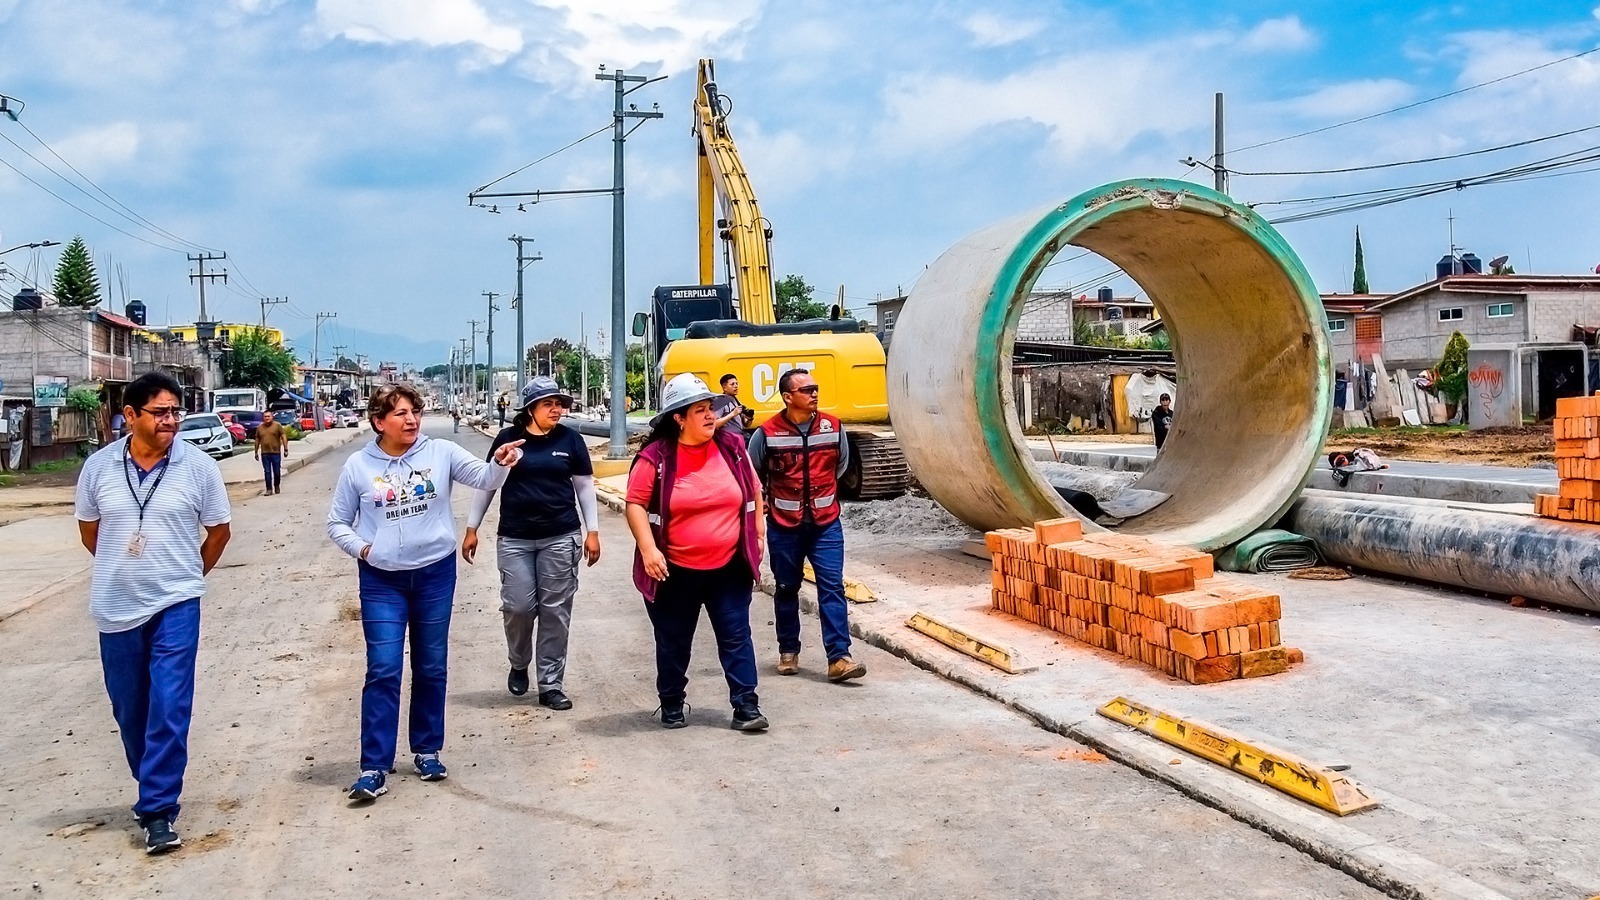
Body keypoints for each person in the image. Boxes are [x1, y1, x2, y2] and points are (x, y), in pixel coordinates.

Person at [327, 383, 524, 803]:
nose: (411, 419)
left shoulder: (441, 453)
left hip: (435, 573)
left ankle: (427, 749)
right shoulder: (358, 466)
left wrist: (503, 463)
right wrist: (364, 549)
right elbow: (337, 523)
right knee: (382, 668)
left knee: (431, 665)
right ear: (379, 421)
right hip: (381, 580)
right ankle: (373, 766)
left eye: (414, 411)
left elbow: (483, 476)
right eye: (399, 414)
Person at [73, 372, 232, 855]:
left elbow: (219, 532)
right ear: (131, 416)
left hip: (177, 602)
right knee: (131, 709)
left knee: (169, 704)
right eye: (160, 412)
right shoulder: (98, 468)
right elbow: (89, 532)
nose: (171, 420)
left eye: (175, 412)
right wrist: (127, 569)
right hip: (116, 605)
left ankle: (158, 808)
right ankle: (151, 783)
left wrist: (184, 573)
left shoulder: (198, 467)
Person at [625, 373, 768, 732]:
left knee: (736, 634)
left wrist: (759, 538)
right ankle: (671, 702)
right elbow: (635, 504)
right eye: (700, 410)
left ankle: (746, 706)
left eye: (710, 409)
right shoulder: (655, 457)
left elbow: (754, 492)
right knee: (673, 640)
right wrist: (648, 549)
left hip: (729, 566)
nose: (710, 416)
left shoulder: (733, 447)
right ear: (678, 418)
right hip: (674, 571)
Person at [464, 376, 600, 709]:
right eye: (548, 404)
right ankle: (519, 661)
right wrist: (472, 527)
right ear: (530, 408)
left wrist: (592, 530)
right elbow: (487, 485)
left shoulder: (571, 440)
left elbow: (583, 486)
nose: (556, 410)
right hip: (515, 538)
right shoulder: (508, 439)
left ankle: (550, 684)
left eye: (560, 404)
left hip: (561, 535)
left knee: (555, 612)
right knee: (518, 607)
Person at [748, 368, 866, 683]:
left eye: (816, 388)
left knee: (832, 587)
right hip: (784, 527)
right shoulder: (767, 433)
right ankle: (788, 651)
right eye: (806, 390)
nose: (814, 394)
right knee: (787, 588)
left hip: (825, 525)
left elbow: (840, 466)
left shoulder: (833, 426)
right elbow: (753, 473)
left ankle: (839, 657)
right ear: (787, 397)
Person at [254, 411, 289, 495]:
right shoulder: (260, 427)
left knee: (276, 471)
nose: (267, 418)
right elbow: (257, 439)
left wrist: (285, 449)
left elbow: (283, 436)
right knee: (267, 471)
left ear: (272, 417)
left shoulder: (277, 426)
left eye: (268, 416)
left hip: (275, 453)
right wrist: (256, 452)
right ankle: (269, 489)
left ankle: (277, 485)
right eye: (265, 416)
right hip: (265, 453)